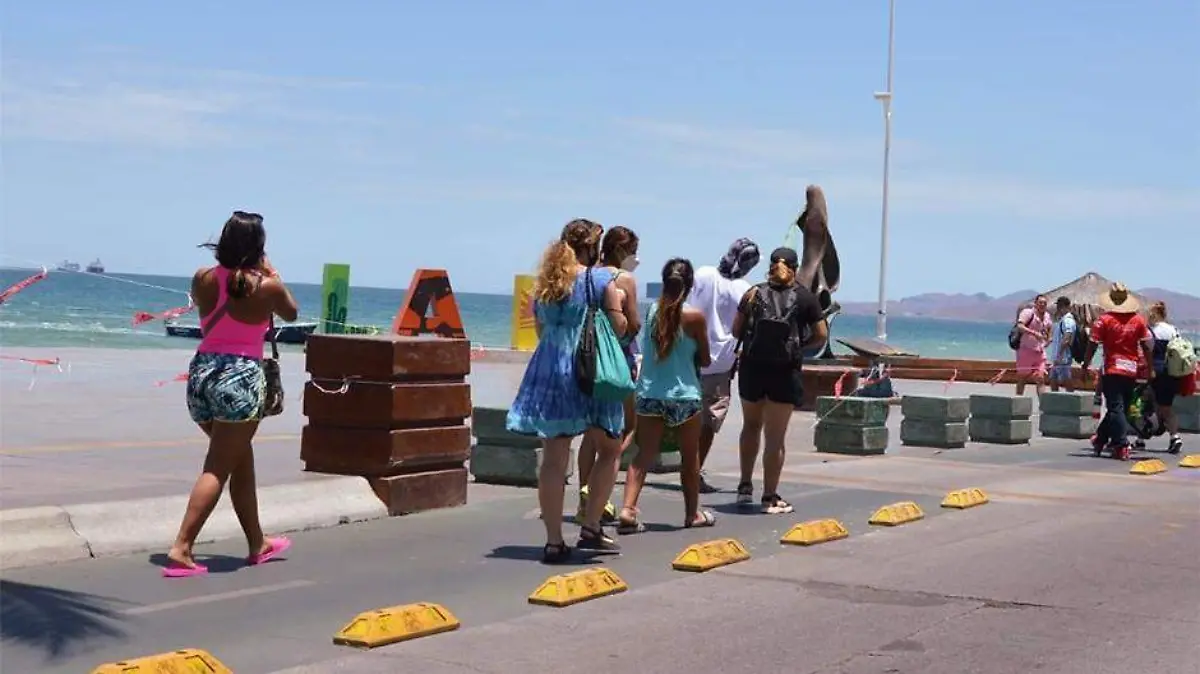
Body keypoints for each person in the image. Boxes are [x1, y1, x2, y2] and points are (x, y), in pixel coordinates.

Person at [165, 211, 299, 577]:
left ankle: (258, 543)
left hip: (202, 372)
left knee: (239, 458)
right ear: (259, 245)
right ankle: (182, 547)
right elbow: (291, 313)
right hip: (239, 376)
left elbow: (225, 291)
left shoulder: (202, 278)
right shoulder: (266, 285)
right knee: (217, 466)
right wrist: (273, 274)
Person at [506, 219, 628, 563]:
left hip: (549, 367)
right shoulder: (601, 279)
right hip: (588, 368)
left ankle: (554, 541)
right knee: (609, 447)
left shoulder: (545, 283)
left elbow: (543, 328)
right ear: (591, 247)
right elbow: (619, 327)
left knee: (554, 458)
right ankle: (591, 526)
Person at [617, 258, 714, 532]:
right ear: (690, 284)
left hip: (650, 393)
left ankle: (627, 509)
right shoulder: (694, 317)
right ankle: (692, 514)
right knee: (689, 456)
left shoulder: (651, 313)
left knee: (643, 455)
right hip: (684, 395)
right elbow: (705, 359)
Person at [731, 247, 827, 514]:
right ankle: (770, 497)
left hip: (751, 369)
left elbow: (736, 330)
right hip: (784, 373)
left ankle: (744, 487)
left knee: (750, 426)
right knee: (775, 438)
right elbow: (821, 335)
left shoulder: (752, 293)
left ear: (771, 266)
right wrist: (800, 346)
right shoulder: (805, 298)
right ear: (794, 268)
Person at [575, 226, 641, 524]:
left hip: (588, 360)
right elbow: (633, 324)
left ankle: (583, 495)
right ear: (625, 251)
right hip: (616, 360)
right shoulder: (624, 279)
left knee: (590, 434)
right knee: (624, 429)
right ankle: (599, 492)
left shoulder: (590, 274)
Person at [687, 238, 761, 494]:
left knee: (687, 418)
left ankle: (689, 467)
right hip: (721, 363)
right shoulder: (746, 289)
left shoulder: (703, 273)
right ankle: (693, 472)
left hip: (691, 357)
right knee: (709, 422)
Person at [1081, 283, 1154, 461]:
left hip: (1113, 369)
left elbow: (1092, 344)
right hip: (1130, 370)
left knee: (1116, 408)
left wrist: (1085, 364)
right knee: (1118, 408)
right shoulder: (1138, 320)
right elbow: (1146, 346)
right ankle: (1101, 439)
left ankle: (1121, 444)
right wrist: (1150, 369)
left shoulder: (1104, 320)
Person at [1147, 301, 1185, 454]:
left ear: (1154, 314)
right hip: (1173, 372)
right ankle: (1173, 436)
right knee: (1166, 405)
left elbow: (1147, 350)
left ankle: (1144, 436)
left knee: (1152, 404)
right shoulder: (1174, 330)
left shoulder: (1152, 331)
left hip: (1157, 371)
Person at [1015, 295, 1052, 397]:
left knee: (1040, 378)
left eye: (1044, 303)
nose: (1042, 305)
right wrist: (1034, 333)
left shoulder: (1047, 316)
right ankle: (1018, 401)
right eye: (1040, 302)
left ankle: (1043, 405)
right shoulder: (1028, 313)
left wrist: (1049, 338)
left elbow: (1049, 327)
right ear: (1036, 303)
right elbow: (1020, 326)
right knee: (1022, 378)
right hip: (1026, 350)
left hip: (1040, 351)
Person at [1047, 296, 1078, 393]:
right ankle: (1055, 398)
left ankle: (1072, 399)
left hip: (1063, 357)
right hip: (1058, 357)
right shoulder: (1062, 320)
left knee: (1066, 380)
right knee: (1053, 378)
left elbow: (1066, 338)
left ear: (1062, 306)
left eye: (1059, 306)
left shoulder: (1067, 320)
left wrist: (1059, 355)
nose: (1058, 309)